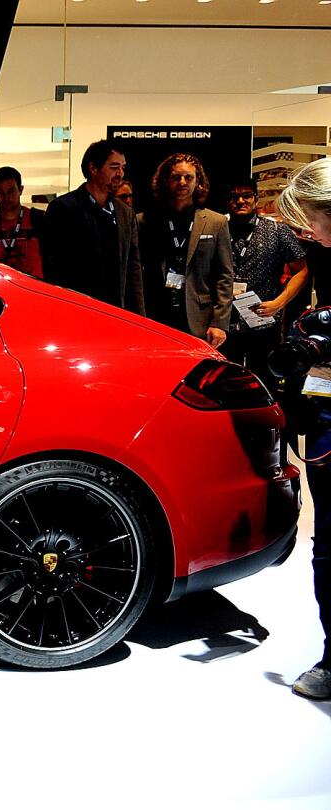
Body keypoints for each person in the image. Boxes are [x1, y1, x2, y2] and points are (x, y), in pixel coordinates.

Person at [273, 156, 331, 701]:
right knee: (329, 540)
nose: (308, 229)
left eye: (314, 217)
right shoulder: (320, 252)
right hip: (327, 407)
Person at [136, 153, 233, 349]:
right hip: (155, 314)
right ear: (165, 180)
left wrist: (220, 323)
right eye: (176, 177)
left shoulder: (216, 222)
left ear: (198, 182)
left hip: (200, 319)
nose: (182, 182)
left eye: (188, 177)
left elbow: (224, 276)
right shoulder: (143, 221)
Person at [41, 140, 145, 315]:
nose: (120, 173)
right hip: (77, 311)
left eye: (122, 167)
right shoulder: (63, 208)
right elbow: (54, 269)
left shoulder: (125, 213)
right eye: (113, 167)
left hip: (117, 313)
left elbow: (133, 269)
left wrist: (140, 317)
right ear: (93, 168)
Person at [219, 178, 306, 380]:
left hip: (263, 320)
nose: (240, 201)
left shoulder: (277, 230)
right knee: (224, 381)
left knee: (264, 380)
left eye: (246, 195)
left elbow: (301, 270)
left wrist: (279, 303)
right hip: (223, 322)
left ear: (256, 199)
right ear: (227, 201)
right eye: (234, 197)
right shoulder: (217, 227)